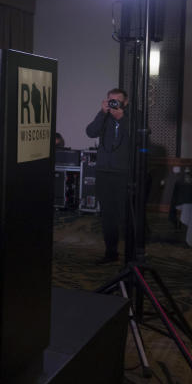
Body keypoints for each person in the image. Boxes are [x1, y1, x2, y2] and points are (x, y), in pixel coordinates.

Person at [85, 88, 131, 264]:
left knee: (125, 216)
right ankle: (110, 253)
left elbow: (141, 139)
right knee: (107, 216)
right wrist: (101, 113)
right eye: (110, 100)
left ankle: (130, 255)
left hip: (123, 173)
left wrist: (123, 119)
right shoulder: (104, 117)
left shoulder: (133, 117)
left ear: (125, 103)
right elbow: (90, 132)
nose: (113, 104)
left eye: (117, 101)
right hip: (104, 172)